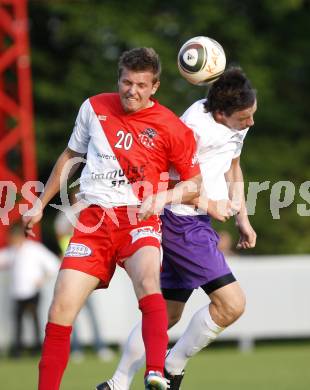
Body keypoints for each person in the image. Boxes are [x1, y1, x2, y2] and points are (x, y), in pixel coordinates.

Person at [22, 47, 201, 390]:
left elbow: (194, 184)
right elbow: (71, 155)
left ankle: (154, 373)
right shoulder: (93, 107)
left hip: (138, 220)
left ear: (155, 87)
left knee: (149, 283)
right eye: (126, 82)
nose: (131, 91)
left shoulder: (170, 127)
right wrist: (40, 202)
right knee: (59, 309)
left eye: (140, 85)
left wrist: (162, 197)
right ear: (118, 79)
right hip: (92, 223)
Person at [100, 67, 257, 390]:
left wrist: (243, 216)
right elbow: (173, 180)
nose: (250, 123)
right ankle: (172, 367)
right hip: (182, 220)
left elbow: (233, 166)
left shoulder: (236, 121)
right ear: (220, 113)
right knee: (232, 304)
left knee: (167, 315)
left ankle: (117, 382)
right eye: (244, 118)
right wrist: (210, 204)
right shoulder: (191, 128)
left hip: (196, 221)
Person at [54, 189, 114, 362]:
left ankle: (99, 345)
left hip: (89, 265)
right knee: (70, 311)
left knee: (90, 310)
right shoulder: (67, 214)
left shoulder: (93, 209)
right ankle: (76, 348)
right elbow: (60, 233)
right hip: (73, 266)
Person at [0, 224, 59, 358]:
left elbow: (53, 264)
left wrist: (42, 279)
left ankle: (37, 348)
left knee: (34, 320)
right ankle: (18, 350)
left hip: (32, 291)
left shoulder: (34, 249)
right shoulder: (11, 252)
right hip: (17, 292)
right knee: (18, 322)